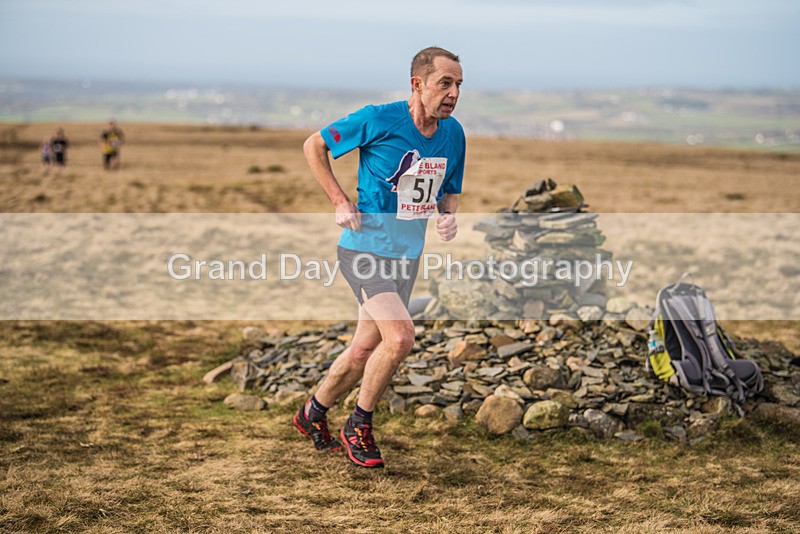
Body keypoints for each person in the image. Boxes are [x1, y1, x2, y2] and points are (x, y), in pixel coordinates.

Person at [293, 46, 465, 469]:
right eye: (445, 83)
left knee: (361, 351)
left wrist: (447, 218)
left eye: (459, 85)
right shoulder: (378, 118)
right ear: (417, 84)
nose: (454, 93)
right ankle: (359, 425)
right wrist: (339, 200)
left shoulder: (454, 133)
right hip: (363, 250)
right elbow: (313, 145)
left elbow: (450, 190)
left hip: (407, 257)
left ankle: (312, 414)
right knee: (401, 337)